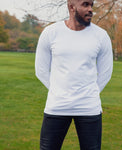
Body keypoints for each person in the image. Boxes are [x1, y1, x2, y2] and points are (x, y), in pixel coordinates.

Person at [35, 0, 113, 149]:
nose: (90, 9)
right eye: (85, 4)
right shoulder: (51, 33)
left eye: (91, 5)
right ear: (71, 7)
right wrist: (58, 92)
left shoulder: (101, 36)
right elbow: (41, 70)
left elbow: (105, 73)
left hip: (89, 107)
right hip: (57, 106)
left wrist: (90, 93)